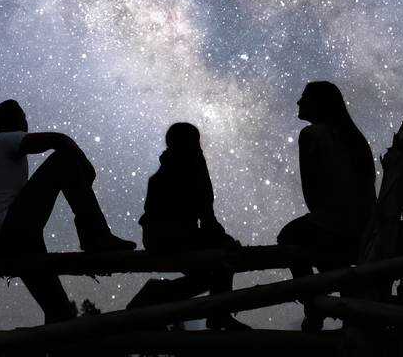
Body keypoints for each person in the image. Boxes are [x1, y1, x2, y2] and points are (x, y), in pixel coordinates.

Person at [0, 99, 135, 324]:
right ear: (17, 119)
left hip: (9, 244)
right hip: (15, 232)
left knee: (60, 311)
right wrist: (85, 165)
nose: (26, 121)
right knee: (63, 158)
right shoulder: (4, 141)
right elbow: (58, 140)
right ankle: (95, 236)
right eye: (24, 116)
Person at [273, 80, 377, 328]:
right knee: (326, 251)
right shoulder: (353, 135)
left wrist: (328, 214)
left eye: (305, 98)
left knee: (289, 237)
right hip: (366, 221)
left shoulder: (312, 134)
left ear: (319, 104)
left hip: (338, 222)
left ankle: (314, 305)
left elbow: (314, 194)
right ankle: (342, 296)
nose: (298, 102)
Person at [132, 121, 248, 330]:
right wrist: (222, 239)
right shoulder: (185, 170)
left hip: (165, 237)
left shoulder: (170, 170)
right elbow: (206, 216)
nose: (199, 147)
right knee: (222, 258)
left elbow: (205, 216)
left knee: (208, 274)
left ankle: (157, 292)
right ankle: (219, 313)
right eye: (196, 142)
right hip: (171, 237)